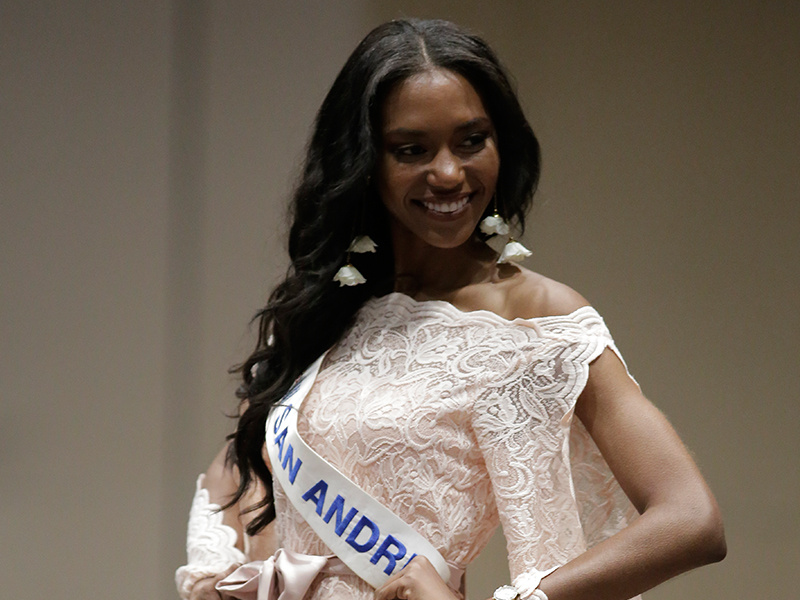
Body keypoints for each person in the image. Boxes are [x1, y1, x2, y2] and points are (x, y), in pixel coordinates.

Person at [175, 18, 726, 600]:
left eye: (471, 141)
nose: (447, 173)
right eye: (411, 150)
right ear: (363, 161)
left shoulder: (535, 320)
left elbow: (692, 519)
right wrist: (216, 577)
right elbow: (237, 470)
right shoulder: (329, 308)